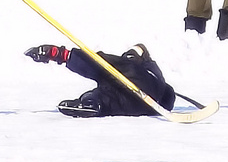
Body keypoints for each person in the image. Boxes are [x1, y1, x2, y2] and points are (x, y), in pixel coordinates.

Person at [23, 42, 176, 118]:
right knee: (107, 95)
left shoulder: (144, 67)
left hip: (144, 86)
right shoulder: (156, 76)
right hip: (143, 104)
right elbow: (168, 97)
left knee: (103, 66)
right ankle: (92, 103)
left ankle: (62, 55)